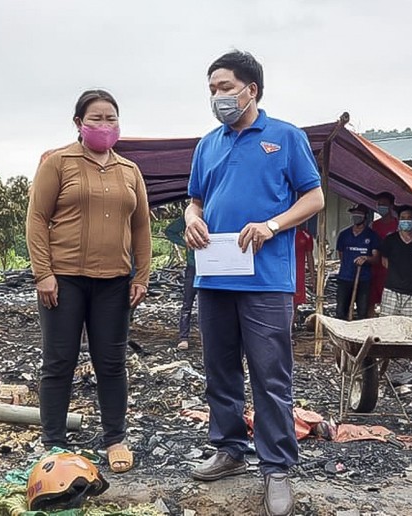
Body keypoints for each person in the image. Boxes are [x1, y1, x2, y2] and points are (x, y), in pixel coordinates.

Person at [184, 50, 324, 516]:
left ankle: (277, 468)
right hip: (215, 274)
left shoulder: (285, 137)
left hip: (266, 279)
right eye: (211, 90)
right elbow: (196, 200)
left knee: (270, 373)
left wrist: (273, 225)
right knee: (219, 368)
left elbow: (315, 196)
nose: (218, 97)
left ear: (252, 90)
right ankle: (228, 449)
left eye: (225, 87)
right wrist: (191, 220)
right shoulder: (208, 144)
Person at [26, 89, 152, 474]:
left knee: (111, 363)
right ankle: (54, 444)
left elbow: (142, 226)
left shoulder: (129, 171)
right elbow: (36, 219)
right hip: (64, 281)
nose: (104, 125)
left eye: (111, 118)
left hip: (114, 282)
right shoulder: (58, 163)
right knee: (59, 361)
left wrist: (141, 275)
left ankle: (114, 438)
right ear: (79, 123)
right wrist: (43, 274)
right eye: (95, 118)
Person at [379, 205, 412, 317]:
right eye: (403, 218)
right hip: (391, 290)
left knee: (407, 328)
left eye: (409, 218)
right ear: (399, 220)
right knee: (387, 325)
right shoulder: (390, 240)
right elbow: (384, 261)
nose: (406, 221)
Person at [335, 203, 380, 321]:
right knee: (340, 311)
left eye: (359, 214)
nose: (356, 216)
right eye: (354, 214)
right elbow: (341, 255)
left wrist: (366, 259)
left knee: (362, 312)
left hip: (363, 279)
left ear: (365, 216)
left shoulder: (372, 236)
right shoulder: (344, 235)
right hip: (345, 277)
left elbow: (376, 258)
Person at [164, 215, 197, 350]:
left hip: (213, 267)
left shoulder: (218, 214)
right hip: (193, 265)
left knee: (211, 304)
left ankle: (210, 337)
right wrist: (185, 242)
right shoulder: (191, 217)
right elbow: (170, 231)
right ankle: (184, 338)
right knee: (187, 303)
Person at [368, 192, 399, 316]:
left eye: (384, 205)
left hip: (390, 270)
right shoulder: (373, 225)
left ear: (391, 206)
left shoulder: (397, 226)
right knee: (371, 300)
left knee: (389, 302)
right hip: (374, 269)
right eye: (379, 204)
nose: (381, 207)